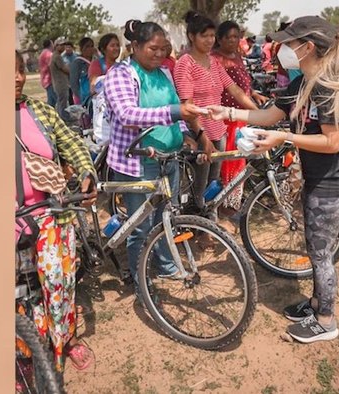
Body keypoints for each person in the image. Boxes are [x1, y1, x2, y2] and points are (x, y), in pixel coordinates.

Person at [206, 16, 339, 344]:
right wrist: (228, 113)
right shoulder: (302, 81)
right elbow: (271, 114)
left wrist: (284, 139)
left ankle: (326, 320)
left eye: (289, 44)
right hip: (318, 178)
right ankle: (317, 303)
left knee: (319, 253)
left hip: (333, 182)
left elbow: (332, 142)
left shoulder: (327, 86)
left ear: (308, 47)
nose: (282, 49)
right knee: (314, 243)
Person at [103, 19, 206, 296]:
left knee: (167, 216)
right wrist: (174, 113)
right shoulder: (121, 74)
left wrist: (185, 133)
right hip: (137, 162)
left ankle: (165, 264)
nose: (160, 54)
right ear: (135, 46)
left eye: (164, 48)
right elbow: (127, 114)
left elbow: (176, 111)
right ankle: (140, 278)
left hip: (168, 158)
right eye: (153, 48)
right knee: (141, 225)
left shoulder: (164, 73)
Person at [15, 50, 97, 371]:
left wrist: (86, 173)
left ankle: (66, 341)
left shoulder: (41, 111)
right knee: (19, 296)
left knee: (59, 282)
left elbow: (72, 144)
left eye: (21, 70)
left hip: (52, 214)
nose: (18, 77)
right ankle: (22, 357)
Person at [174, 11, 258, 222]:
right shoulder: (185, 63)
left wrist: (257, 112)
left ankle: (209, 222)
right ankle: (196, 226)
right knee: (199, 185)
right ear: (192, 37)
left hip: (218, 131)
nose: (211, 40)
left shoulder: (213, 62)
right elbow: (187, 104)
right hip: (198, 132)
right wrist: (201, 136)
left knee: (214, 183)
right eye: (205, 36)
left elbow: (235, 90)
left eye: (212, 35)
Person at [212, 20, 268, 216]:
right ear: (219, 39)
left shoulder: (237, 56)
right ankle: (224, 203)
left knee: (240, 160)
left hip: (242, 114)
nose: (234, 41)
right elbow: (229, 88)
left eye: (236, 37)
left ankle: (233, 202)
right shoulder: (215, 59)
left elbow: (241, 83)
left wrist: (253, 93)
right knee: (228, 162)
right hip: (226, 117)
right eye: (229, 37)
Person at [89, 34, 121, 144]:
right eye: (112, 45)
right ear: (103, 49)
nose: (116, 48)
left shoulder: (121, 66)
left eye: (118, 45)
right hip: (102, 110)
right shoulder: (97, 64)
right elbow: (93, 86)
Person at [70, 37, 95, 105]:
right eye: (87, 46)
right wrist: (81, 98)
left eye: (92, 46)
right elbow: (74, 84)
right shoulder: (77, 63)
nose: (90, 49)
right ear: (81, 48)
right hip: (83, 99)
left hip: (95, 97)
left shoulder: (96, 62)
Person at [49, 38, 71, 119]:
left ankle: (60, 117)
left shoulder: (55, 56)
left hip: (58, 83)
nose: (63, 47)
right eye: (61, 45)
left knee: (60, 101)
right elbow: (65, 69)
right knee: (63, 102)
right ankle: (63, 118)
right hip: (60, 83)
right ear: (56, 46)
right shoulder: (57, 57)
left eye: (64, 45)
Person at [38, 39, 57, 107]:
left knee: (51, 101)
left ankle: (48, 114)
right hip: (49, 80)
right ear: (50, 45)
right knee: (58, 100)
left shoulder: (43, 53)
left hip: (45, 80)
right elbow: (51, 66)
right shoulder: (49, 54)